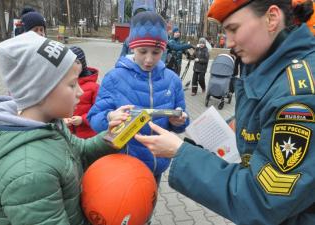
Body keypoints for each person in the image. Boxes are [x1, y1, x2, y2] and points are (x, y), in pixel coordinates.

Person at [135, 0, 315, 224]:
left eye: (234, 29)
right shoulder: (268, 64)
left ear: (272, 18)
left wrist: (181, 152)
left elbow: (262, 200)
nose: (228, 42)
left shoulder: (298, 96)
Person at [0, 31, 124, 224]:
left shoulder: (49, 125)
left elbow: (81, 151)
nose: (80, 92)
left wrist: (114, 135)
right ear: (40, 92)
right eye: (72, 85)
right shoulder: (30, 174)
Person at [88, 11, 189, 185]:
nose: (149, 60)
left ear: (164, 50)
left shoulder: (172, 80)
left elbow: (182, 120)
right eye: (143, 51)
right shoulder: (114, 78)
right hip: (124, 165)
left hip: (158, 165)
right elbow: (94, 119)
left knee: (148, 207)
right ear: (132, 46)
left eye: (156, 52)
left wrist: (180, 122)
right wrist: (109, 117)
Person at [64, 46, 99, 139]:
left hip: (88, 135)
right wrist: (63, 119)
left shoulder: (94, 87)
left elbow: (99, 112)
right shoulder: (63, 84)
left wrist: (82, 119)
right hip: (68, 134)